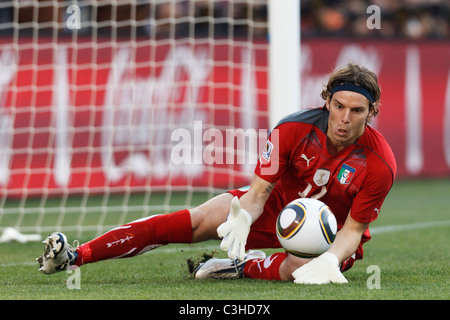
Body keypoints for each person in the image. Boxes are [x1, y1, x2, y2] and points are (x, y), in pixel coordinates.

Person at [37, 63, 396, 284]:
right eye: (339, 107)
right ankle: (76, 255)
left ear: (372, 110)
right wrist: (243, 217)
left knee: (301, 272)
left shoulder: (380, 164)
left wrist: (331, 260)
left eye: (357, 110)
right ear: (327, 101)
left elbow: (353, 229)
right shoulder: (291, 130)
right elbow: (258, 192)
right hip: (276, 205)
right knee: (196, 221)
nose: (345, 119)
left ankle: (242, 268)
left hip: (329, 234)